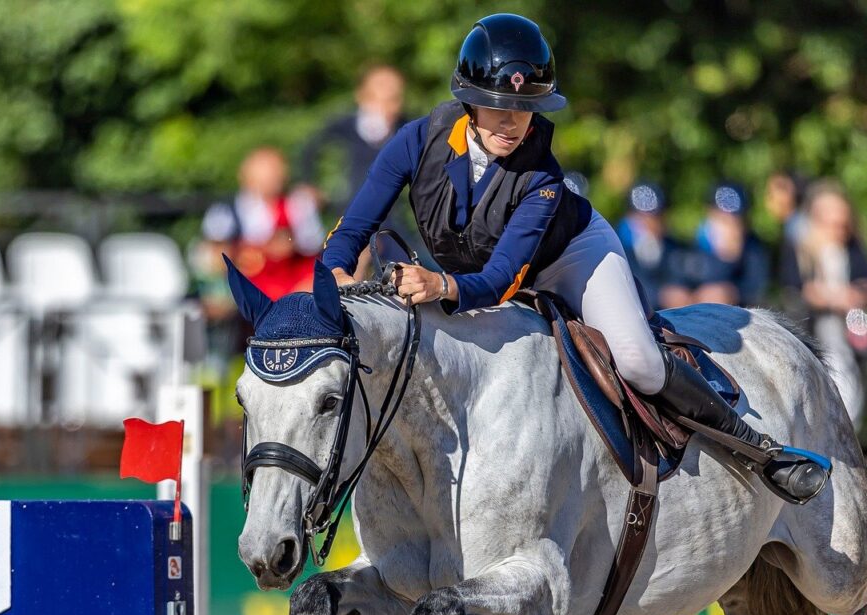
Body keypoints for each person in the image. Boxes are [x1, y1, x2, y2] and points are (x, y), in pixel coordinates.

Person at [320, 13, 827, 504]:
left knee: (638, 363)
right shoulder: (416, 140)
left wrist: (442, 286)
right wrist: (335, 275)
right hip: (477, 272)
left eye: (526, 108)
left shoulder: (541, 174)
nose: (512, 122)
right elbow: (356, 224)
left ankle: (759, 449)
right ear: (469, 102)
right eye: (498, 106)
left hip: (574, 256)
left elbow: (503, 279)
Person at [781, 180, 867, 429]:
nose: (838, 230)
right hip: (813, 332)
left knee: (851, 393)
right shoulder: (801, 249)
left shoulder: (852, 248)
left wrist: (855, 295)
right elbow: (796, 290)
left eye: (843, 224)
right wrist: (834, 296)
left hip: (848, 336)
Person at [201, 146, 326, 301]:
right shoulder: (228, 210)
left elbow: (313, 246)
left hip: (296, 284)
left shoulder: (298, 204)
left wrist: (289, 245)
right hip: (251, 288)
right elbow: (214, 256)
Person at [301, 66, 407, 211]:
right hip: (344, 215)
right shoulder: (338, 129)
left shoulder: (409, 132)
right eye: (377, 98)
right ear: (361, 96)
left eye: (393, 99)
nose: (386, 107)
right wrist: (313, 187)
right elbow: (309, 154)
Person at [661, 183, 769, 309]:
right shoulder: (691, 247)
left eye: (735, 222)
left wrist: (731, 292)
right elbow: (674, 282)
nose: (730, 228)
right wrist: (677, 293)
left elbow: (756, 289)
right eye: (723, 220)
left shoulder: (753, 250)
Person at [615, 181, 686, 309]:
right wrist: (660, 295)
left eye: (656, 217)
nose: (651, 224)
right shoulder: (615, 246)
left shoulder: (672, 246)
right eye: (643, 218)